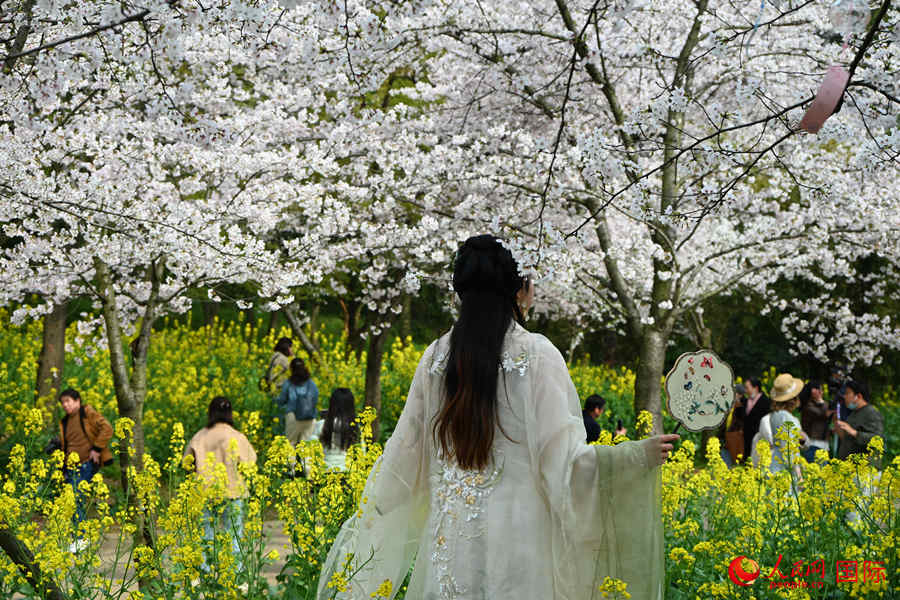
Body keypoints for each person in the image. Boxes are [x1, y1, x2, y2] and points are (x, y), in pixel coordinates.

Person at [316, 234, 678, 600]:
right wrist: (633, 458)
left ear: (460, 292)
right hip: (520, 553)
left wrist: (371, 523)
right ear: (520, 289)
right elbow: (568, 466)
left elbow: (403, 456)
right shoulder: (536, 356)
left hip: (447, 550)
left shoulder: (436, 358)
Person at [184, 396, 257, 574]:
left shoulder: (199, 436)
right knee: (234, 534)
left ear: (210, 413)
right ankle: (235, 574)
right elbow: (250, 463)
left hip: (204, 492)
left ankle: (205, 573)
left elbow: (186, 464)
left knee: (206, 535)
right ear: (230, 414)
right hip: (233, 492)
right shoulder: (237, 436)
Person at [58, 388, 113, 551]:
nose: (65, 405)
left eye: (68, 401)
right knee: (72, 500)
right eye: (62, 403)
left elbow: (107, 429)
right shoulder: (65, 421)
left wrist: (96, 449)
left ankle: (81, 538)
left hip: (86, 464)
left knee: (76, 499)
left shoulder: (87, 413)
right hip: (70, 467)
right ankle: (78, 536)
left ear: (77, 400)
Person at [750, 374, 808, 479]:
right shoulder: (790, 420)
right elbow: (789, 449)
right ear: (794, 399)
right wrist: (799, 474)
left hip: (773, 463)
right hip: (784, 469)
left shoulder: (774, 415)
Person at [835, 380, 885, 466]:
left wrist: (853, 432)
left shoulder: (871, 412)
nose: (844, 396)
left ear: (858, 396)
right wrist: (840, 430)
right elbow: (849, 439)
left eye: (847, 393)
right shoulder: (854, 413)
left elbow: (878, 438)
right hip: (850, 468)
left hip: (866, 470)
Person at [277, 357, 319, 445]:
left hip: (293, 416)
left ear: (291, 369)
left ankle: (292, 459)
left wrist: (275, 400)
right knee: (307, 446)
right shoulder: (311, 383)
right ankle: (305, 459)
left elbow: (282, 400)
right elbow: (315, 397)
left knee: (291, 444)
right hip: (310, 417)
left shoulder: (289, 383)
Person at [319, 388, 359, 471]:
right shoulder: (355, 427)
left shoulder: (321, 425)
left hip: (324, 472)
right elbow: (362, 454)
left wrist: (310, 475)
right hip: (348, 473)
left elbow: (308, 450)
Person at [740, 377, 771, 464]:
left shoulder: (766, 401)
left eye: (747, 387)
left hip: (759, 437)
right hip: (746, 438)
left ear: (756, 388)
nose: (745, 390)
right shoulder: (745, 401)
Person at [799, 380, 832, 463]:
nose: (821, 392)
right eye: (819, 389)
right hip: (813, 446)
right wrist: (821, 400)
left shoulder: (818, 405)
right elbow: (825, 414)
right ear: (812, 391)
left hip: (822, 446)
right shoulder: (808, 407)